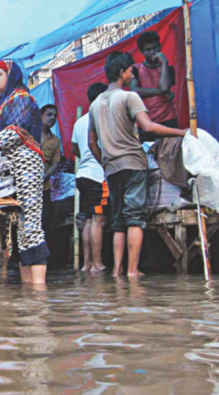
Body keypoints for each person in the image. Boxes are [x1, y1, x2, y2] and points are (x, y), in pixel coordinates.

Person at [88, 52, 188, 277]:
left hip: (112, 168)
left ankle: (117, 271)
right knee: (134, 218)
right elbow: (148, 126)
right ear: (122, 72)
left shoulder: (95, 105)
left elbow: (91, 142)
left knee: (118, 220)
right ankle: (132, 271)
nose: (133, 75)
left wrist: (105, 162)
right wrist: (181, 132)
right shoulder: (129, 97)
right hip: (133, 163)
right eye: (130, 71)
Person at [0, 59, 49, 285]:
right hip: (11, 168)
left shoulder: (22, 98)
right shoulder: (2, 104)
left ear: (10, 76)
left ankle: (38, 290)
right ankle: (29, 289)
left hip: (27, 165)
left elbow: (15, 133)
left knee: (31, 225)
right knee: (19, 229)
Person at [71, 83, 109, 273]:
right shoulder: (101, 118)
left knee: (86, 220)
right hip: (96, 175)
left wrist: (85, 157)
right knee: (98, 220)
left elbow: (73, 148)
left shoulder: (79, 122)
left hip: (82, 175)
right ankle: (97, 263)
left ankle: (86, 264)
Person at [131, 31, 178, 141]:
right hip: (147, 121)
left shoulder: (168, 69)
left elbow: (165, 87)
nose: (152, 52)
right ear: (142, 52)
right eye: (148, 50)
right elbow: (135, 91)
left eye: (155, 48)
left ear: (160, 47)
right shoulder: (136, 69)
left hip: (168, 119)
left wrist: (165, 64)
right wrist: (161, 91)